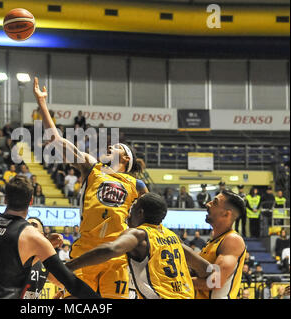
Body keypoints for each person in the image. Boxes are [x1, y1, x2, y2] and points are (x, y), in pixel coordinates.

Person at [33, 76, 147, 299]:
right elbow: (56, 140)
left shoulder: (137, 185)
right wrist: (42, 104)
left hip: (116, 253)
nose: (109, 146)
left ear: (125, 157)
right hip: (85, 250)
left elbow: (150, 220)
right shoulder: (91, 168)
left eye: (115, 146)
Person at [0, 175, 100, 299]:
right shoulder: (32, 236)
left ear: (5, 199)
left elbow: (6, 259)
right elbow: (70, 282)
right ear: (31, 201)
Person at [66, 193, 210, 299]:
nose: (129, 211)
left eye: (133, 206)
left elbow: (110, 249)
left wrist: (69, 266)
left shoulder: (139, 234)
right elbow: (206, 269)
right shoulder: (173, 238)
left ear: (140, 212)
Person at [194, 190, 247, 299]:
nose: (208, 204)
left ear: (226, 213)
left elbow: (214, 282)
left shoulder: (232, 240)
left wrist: (178, 280)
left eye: (215, 202)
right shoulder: (214, 241)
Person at [22, 217, 64, 299]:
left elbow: (65, 284)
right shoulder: (12, 252)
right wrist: (47, 244)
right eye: (26, 225)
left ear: (41, 235)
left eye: (34, 225)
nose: (29, 227)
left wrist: (60, 293)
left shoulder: (45, 260)